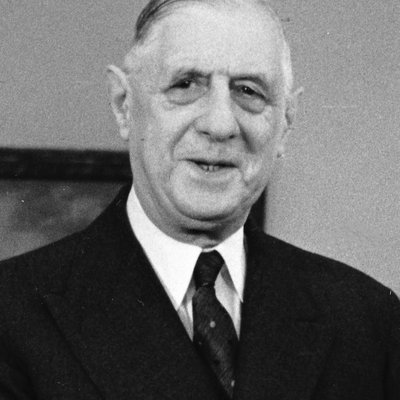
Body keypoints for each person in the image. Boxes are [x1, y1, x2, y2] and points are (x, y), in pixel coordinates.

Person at [0, 0, 399, 398]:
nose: (220, 124)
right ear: (124, 105)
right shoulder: (12, 315)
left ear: (286, 124)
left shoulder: (366, 321)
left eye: (249, 91)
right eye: (185, 85)